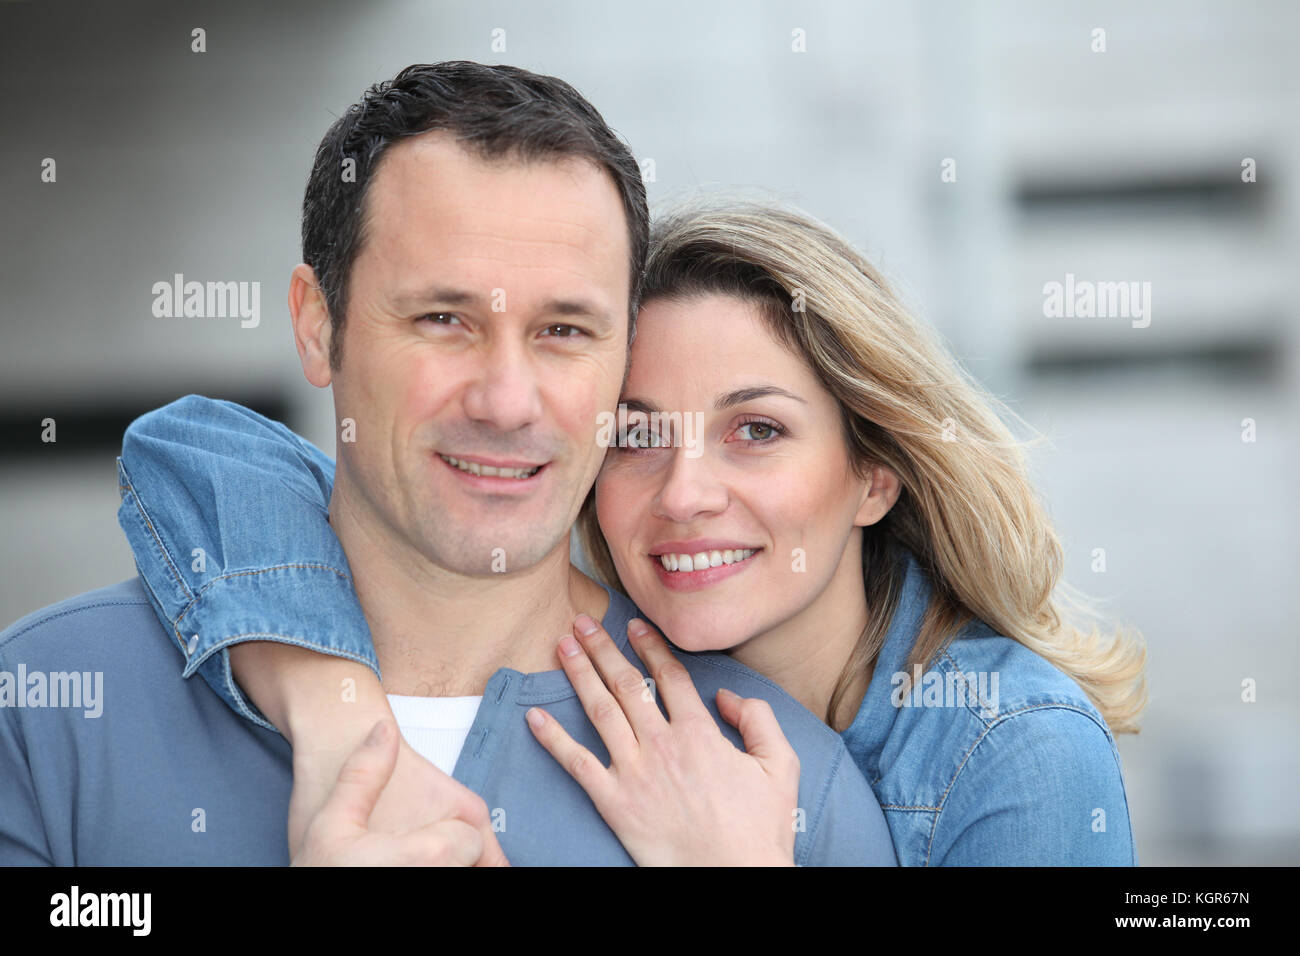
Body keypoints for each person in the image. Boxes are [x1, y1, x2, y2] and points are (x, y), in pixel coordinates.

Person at [0, 62, 894, 867]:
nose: (506, 401)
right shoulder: (49, 711)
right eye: (444, 320)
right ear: (319, 325)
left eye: (564, 332)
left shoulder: (774, 793)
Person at [114, 198, 1147, 865]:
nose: (684, 491)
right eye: (638, 433)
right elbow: (194, 449)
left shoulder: (1015, 748)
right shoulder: (630, 679)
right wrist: (333, 708)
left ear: (872, 474)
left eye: (756, 429)